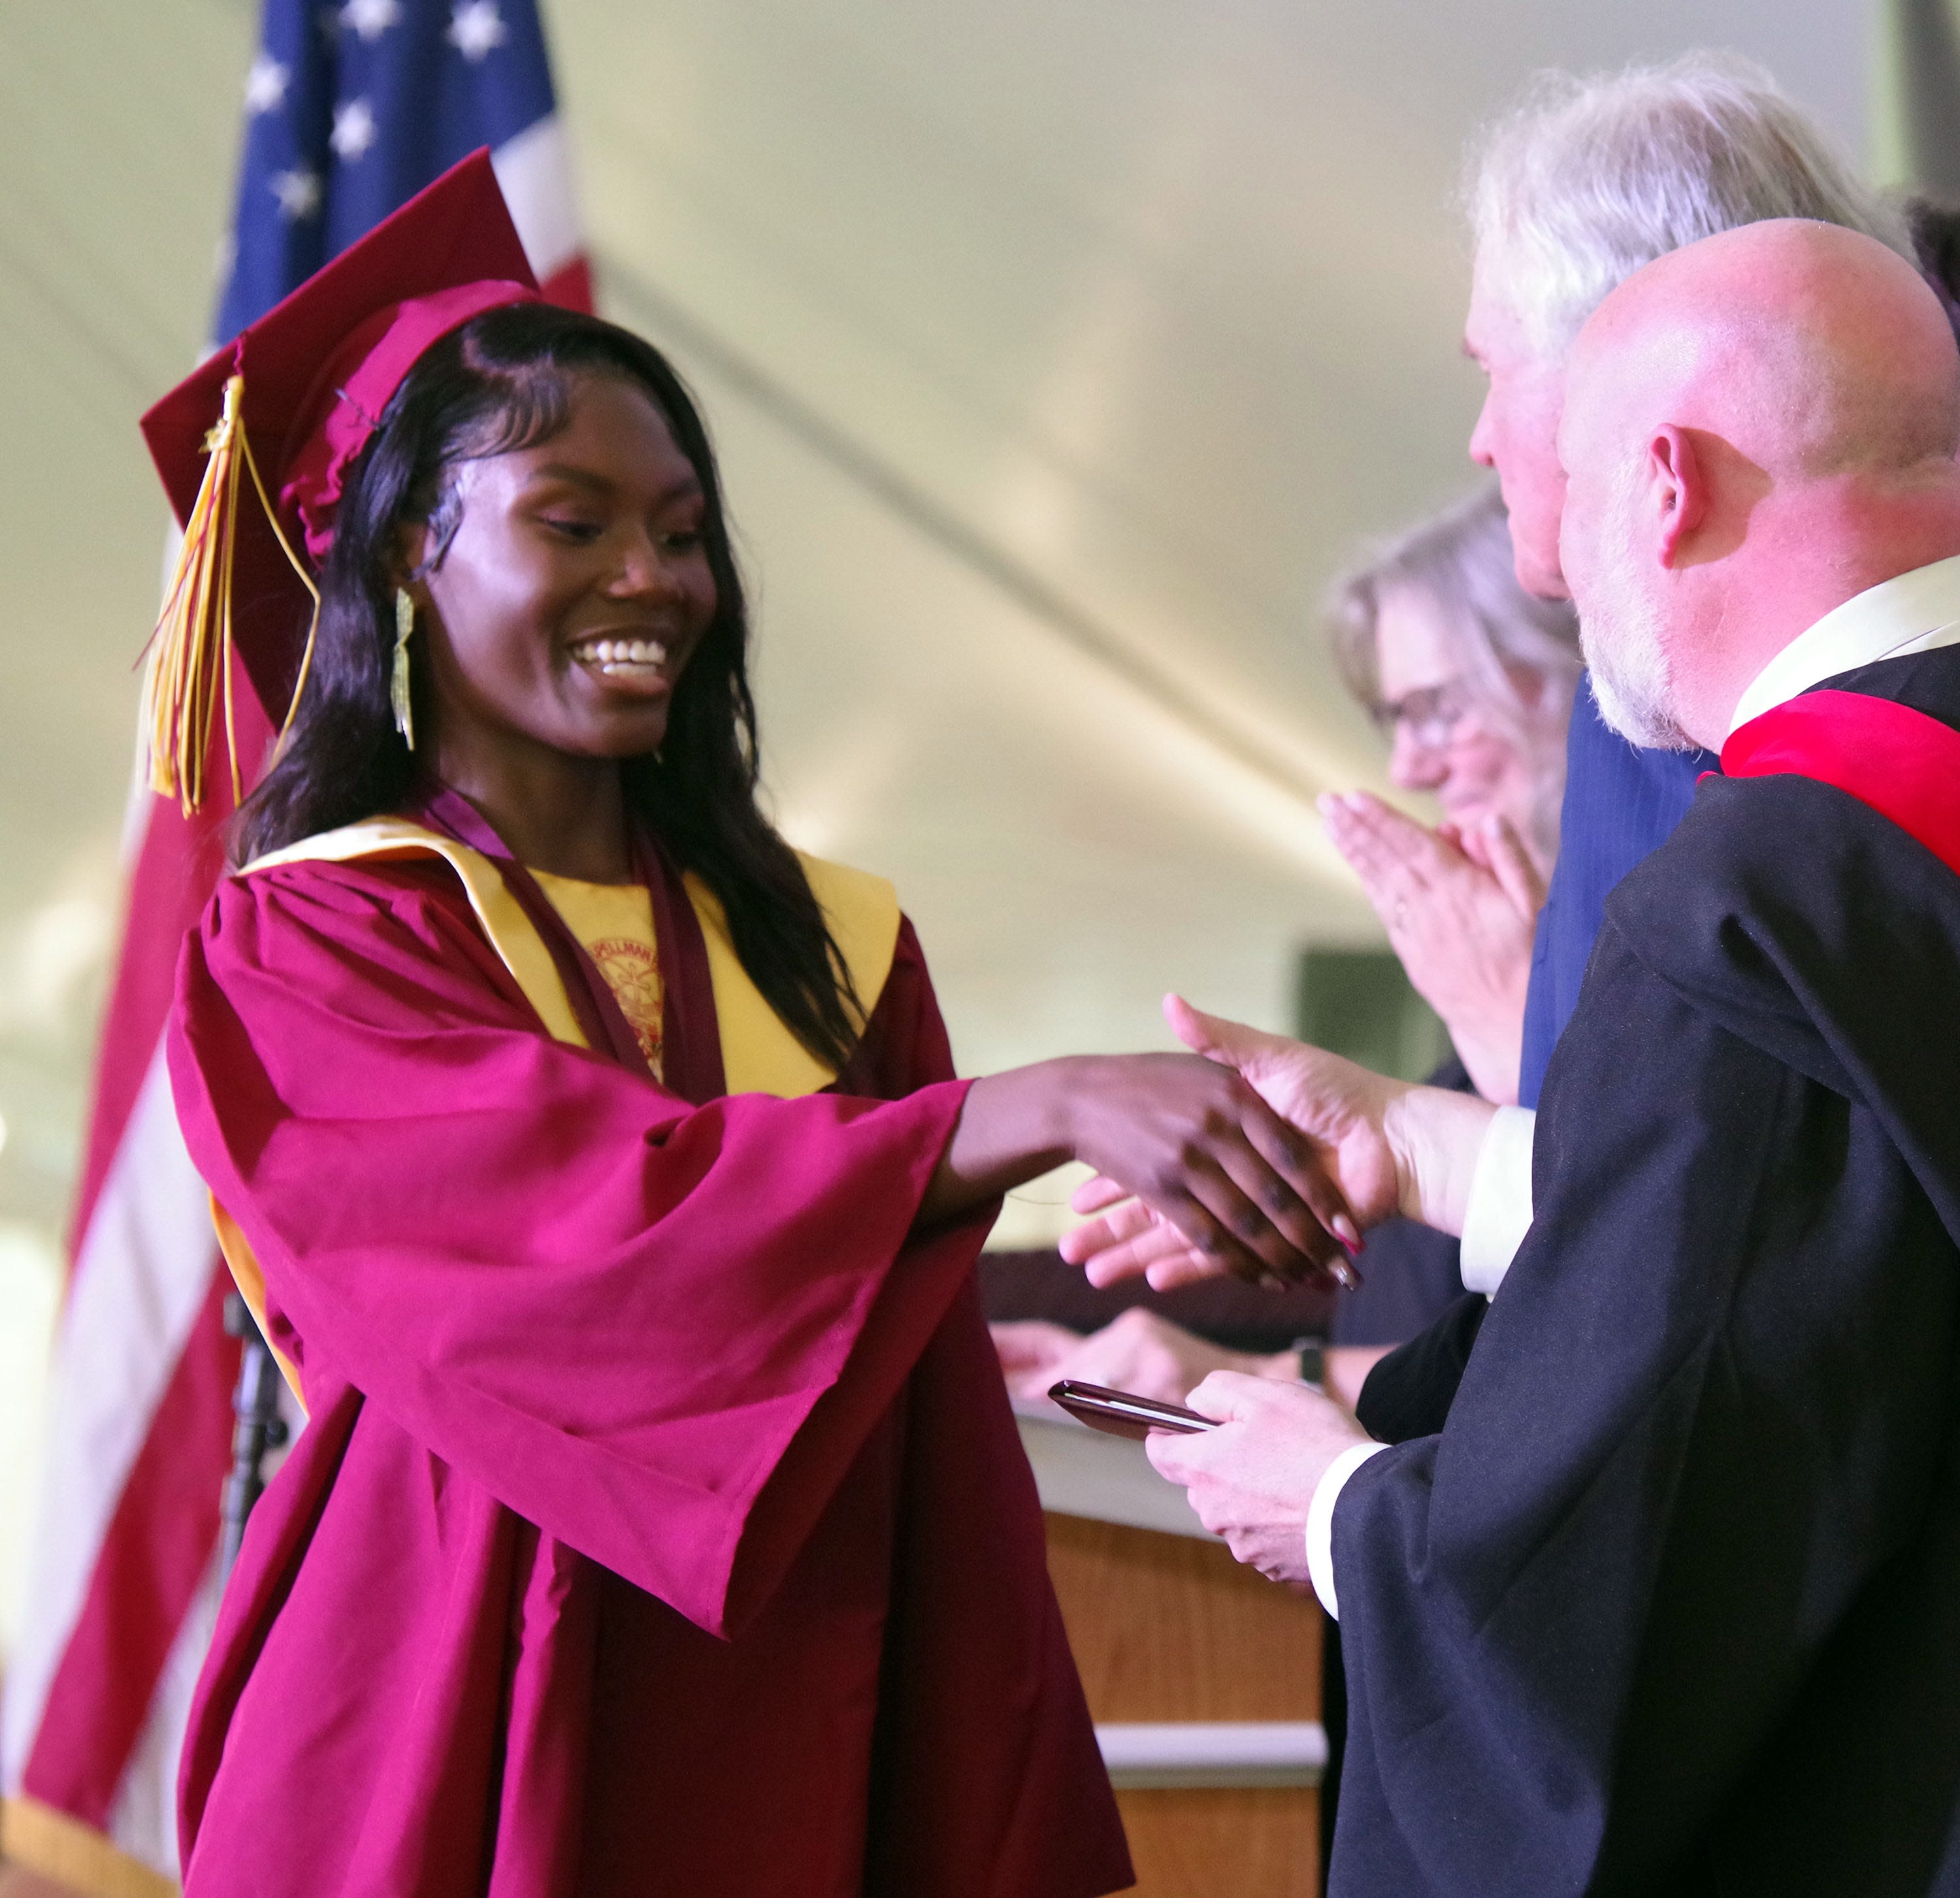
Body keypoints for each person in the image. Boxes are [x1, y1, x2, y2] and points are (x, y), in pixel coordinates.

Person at [154, 155, 1354, 1898]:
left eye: (684, 526)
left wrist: (983, 1815)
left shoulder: (833, 949)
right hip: (435, 1706)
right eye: (574, 519)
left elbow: (928, 1428)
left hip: (786, 1726)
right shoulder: (313, 935)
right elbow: (573, 1237)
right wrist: (1018, 1112)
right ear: (410, 552)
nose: (653, 575)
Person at [1119, 220, 1960, 1893]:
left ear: (1665, 482)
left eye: (1563, 490)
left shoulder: (1753, 899)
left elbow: (1644, 1580)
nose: (1555, 567)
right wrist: (1425, 1147)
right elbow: (1840, 1249)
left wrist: (1343, 1508)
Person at [994, 488, 1578, 1411]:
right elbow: (1402, 1310)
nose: (1409, 768)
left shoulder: (1666, 944)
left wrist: (1262, 1376)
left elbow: (1615, 1312)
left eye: (1436, 707)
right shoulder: (1519, 962)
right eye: (1396, 719)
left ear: (1574, 664)